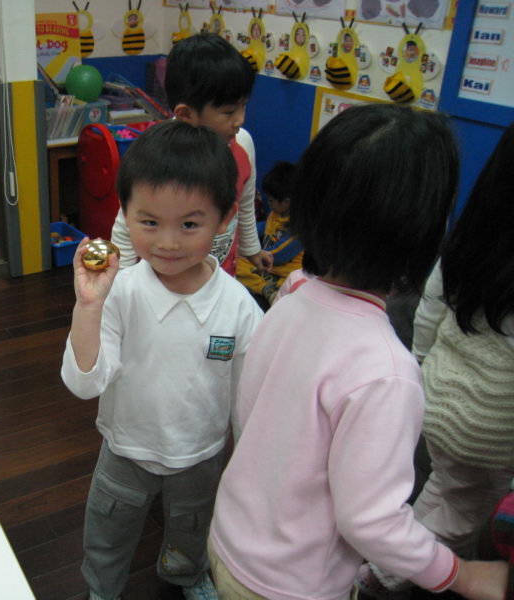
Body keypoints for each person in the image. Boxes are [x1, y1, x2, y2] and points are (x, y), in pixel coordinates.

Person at [207, 103, 508, 600]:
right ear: (425, 235)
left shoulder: (291, 295)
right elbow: (372, 521)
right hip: (292, 585)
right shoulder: (387, 373)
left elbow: (249, 414)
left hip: (229, 541)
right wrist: (463, 573)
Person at [62, 120, 263, 600]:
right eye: (149, 223)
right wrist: (88, 306)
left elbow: (251, 395)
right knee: (109, 530)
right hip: (125, 449)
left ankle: (185, 576)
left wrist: (247, 461)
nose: (168, 243)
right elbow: (85, 383)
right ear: (125, 213)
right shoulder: (120, 292)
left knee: (192, 528)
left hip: (201, 453)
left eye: (189, 224)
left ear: (224, 218)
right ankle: (102, 588)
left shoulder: (238, 306)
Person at [357, 122, 514, 599]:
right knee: (461, 514)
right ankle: (388, 578)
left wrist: (419, 365)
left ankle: (388, 564)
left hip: (439, 392)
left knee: (444, 491)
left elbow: (429, 311)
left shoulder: (471, 239)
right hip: (491, 424)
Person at [110, 33, 272, 277]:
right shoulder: (157, 155)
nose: (240, 120)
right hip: (161, 282)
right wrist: (119, 282)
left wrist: (252, 249)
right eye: (229, 112)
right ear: (186, 114)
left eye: (243, 106)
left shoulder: (243, 144)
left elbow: (244, 204)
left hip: (219, 276)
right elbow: (126, 224)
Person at [236, 162, 302, 306]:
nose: (268, 203)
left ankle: (270, 290)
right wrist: (241, 232)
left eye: (271, 200)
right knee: (237, 263)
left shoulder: (298, 229)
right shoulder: (275, 214)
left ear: (286, 202)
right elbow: (262, 228)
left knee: (294, 285)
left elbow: (279, 255)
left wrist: (254, 254)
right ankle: (267, 290)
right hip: (268, 268)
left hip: (284, 272)